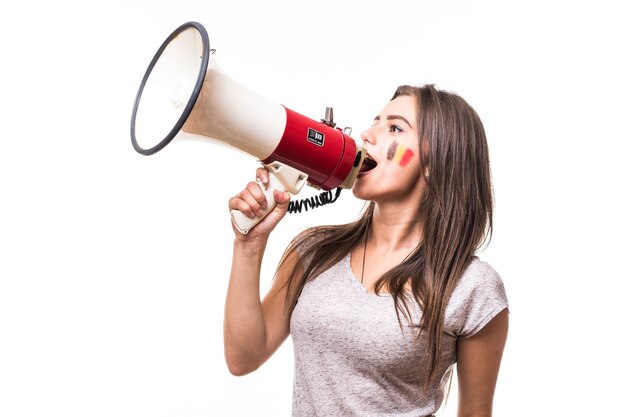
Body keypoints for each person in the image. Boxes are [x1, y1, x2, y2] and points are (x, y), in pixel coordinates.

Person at [224, 84, 509, 417]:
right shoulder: (314, 252)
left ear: (436, 161)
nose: (366, 135)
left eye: (394, 128)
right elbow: (243, 357)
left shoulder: (471, 287)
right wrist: (249, 243)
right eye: (375, 121)